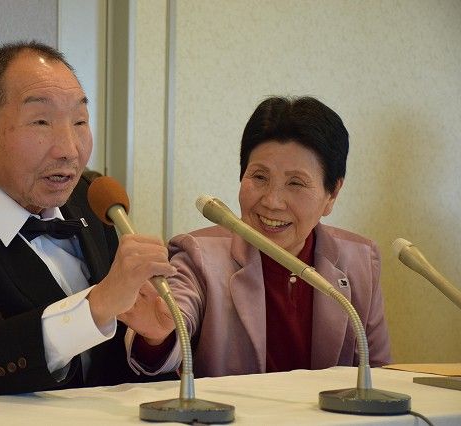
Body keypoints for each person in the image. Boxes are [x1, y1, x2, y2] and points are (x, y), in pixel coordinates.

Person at [0, 40, 176, 402]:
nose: (69, 149)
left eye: (80, 122)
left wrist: (151, 339)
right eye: (41, 122)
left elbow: (109, 366)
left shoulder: (92, 200)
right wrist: (97, 305)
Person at [123, 96, 391, 378]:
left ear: (332, 194)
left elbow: (379, 377)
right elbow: (173, 324)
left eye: (295, 183)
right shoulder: (198, 255)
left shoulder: (361, 259)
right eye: (260, 177)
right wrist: (158, 337)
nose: (272, 201)